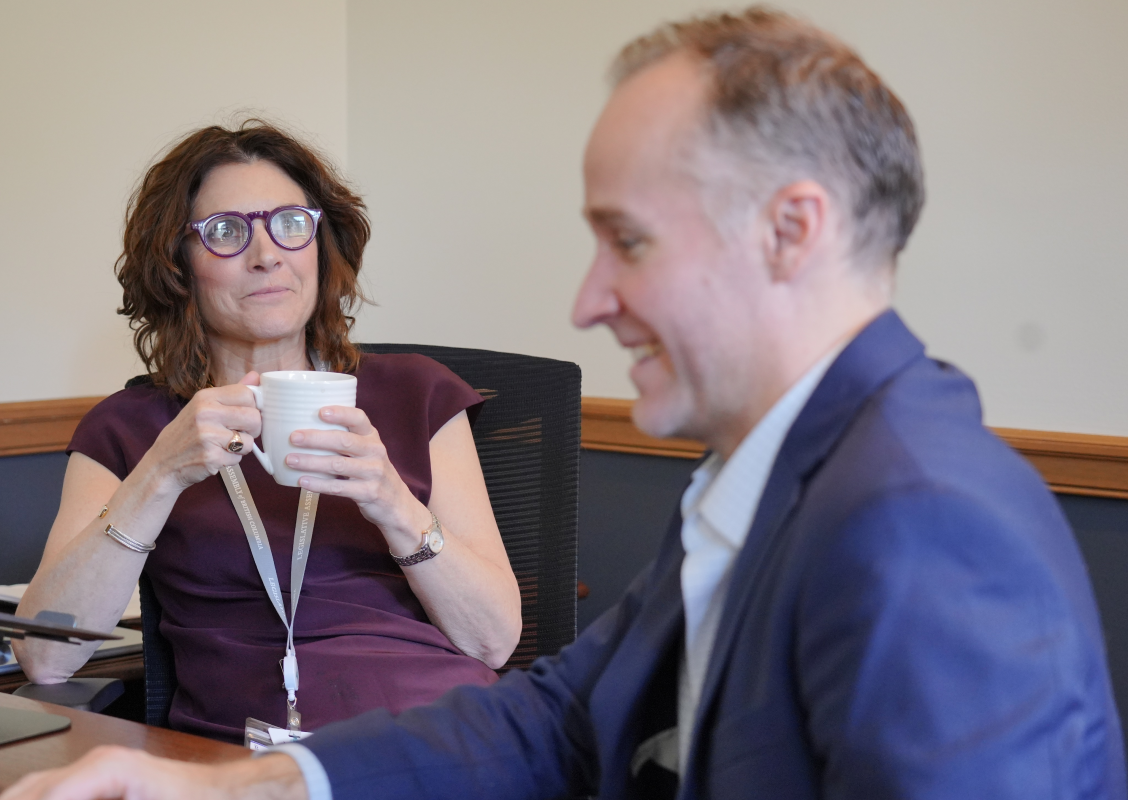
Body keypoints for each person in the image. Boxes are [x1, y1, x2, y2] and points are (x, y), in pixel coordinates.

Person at [4, 7, 1125, 799]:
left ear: (792, 230)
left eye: (626, 241)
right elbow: (558, 715)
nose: (587, 302)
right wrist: (246, 788)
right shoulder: (772, 478)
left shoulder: (922, 519)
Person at [11, 121, 522, 743]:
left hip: (436, 736)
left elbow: (493, 641)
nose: (267, 254)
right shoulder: (131, 429)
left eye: (290, 224)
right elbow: (47, 656)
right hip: (243, 765)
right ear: (179, 264)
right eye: (226, 232)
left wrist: (391, 502)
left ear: (320, 245)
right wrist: (159, 475)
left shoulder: (414, 393)